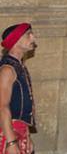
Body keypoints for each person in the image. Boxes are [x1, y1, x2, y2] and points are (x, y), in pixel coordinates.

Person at [1, 23, 36, 154]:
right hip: (7, 132)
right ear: (15, 40)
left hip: (19, 131)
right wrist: (11, 143)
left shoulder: (19, 66)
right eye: (28, 34)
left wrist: (27, 136)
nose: (33, 37)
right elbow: (2, 107)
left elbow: (22, 108)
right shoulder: (7, 70)